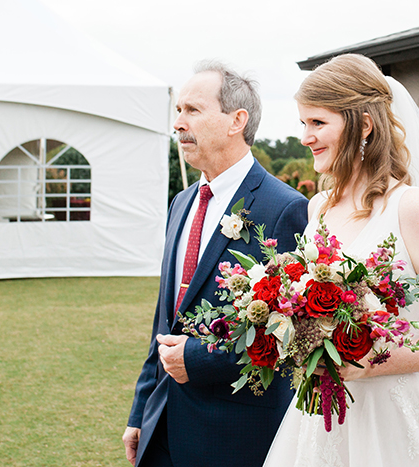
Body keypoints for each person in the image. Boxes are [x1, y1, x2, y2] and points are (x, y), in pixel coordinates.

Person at [263, 54, 419, 466]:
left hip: (393, 420)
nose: (305, 136)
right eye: (303, 123)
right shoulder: (319, 207)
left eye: (317, 123)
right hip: (319, 421)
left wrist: (372, 360)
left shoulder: (411, 209)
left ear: (364, 125)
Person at [123, 61, 308, 467]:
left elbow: (290, 336)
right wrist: (140, 413)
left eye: (192, 110)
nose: (178, 124)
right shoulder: (181, 203)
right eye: (177, 111)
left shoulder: (286, 209)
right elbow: (164, 320)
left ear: (236, 121)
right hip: (161, 427)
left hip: (232, 434)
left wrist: (199, 359)